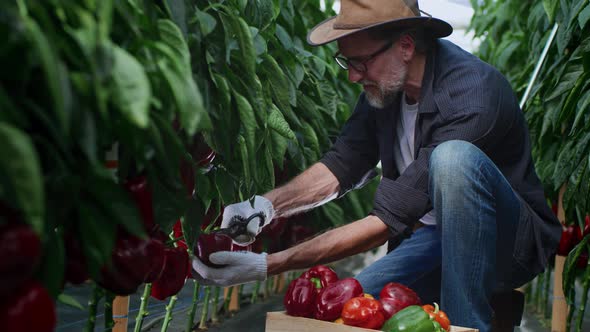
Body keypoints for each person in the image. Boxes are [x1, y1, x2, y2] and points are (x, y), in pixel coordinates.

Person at [192, 0, 561, 331]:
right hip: (433, 238)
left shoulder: (474, 92)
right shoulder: (386, 89)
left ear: (405, 45)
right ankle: (487, 309)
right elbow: (343, 163)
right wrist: (267, 206)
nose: (353, 75)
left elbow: (388, 219)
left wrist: (269, 264)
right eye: (346, 61)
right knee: (351, 307)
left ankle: (471, 323)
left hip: (506, 243)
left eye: (360, 62)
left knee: (453, 159)